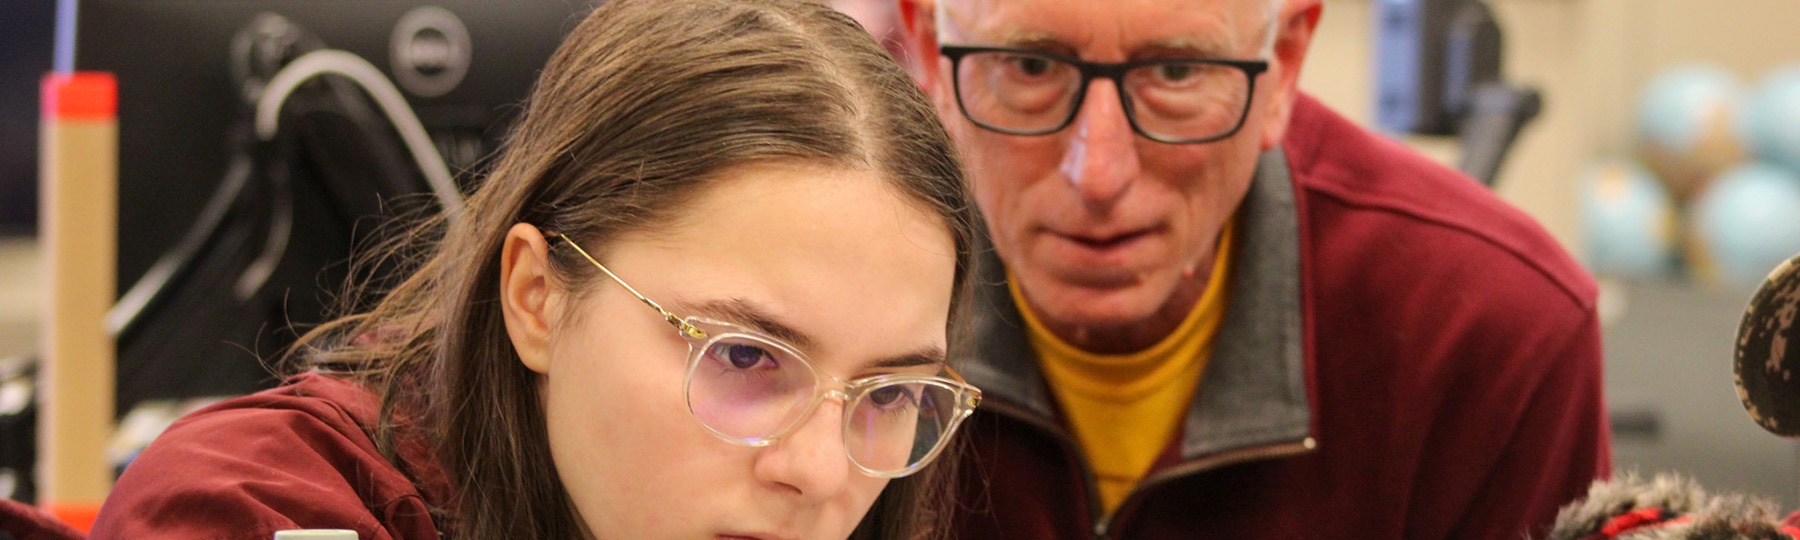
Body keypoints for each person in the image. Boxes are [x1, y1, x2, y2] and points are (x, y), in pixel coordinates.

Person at [88, 1, 985, 538]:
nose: (823, 474)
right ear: (534, 299)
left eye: (891, 395)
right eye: (745, 356)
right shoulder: (251, 507)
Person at [892, 0, 1611, 538]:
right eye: (1030, 67)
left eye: (1175, 72)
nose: (1098, 173)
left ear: (1282, 66)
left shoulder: (1491, 335)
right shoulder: (852, 289)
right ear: (930, 50)